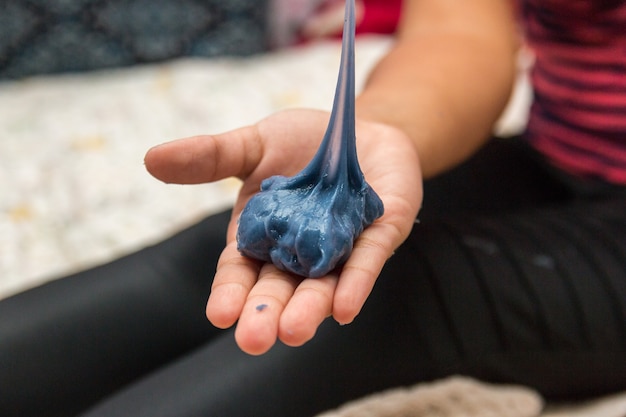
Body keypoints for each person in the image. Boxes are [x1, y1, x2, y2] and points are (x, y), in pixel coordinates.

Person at [2, 0, 626, 416]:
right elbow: (459, 34)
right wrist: (365, 144)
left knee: (384, 303)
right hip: (557, 152)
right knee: (215, 265)